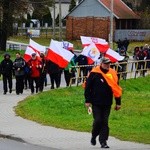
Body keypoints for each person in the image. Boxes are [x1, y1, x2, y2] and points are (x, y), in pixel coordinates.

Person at [84, 57, 122, 148]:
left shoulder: (113, 73)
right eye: (105, 64)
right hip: (96, 102)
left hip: (107, 102)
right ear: (101, 64)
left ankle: (103, 142)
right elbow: (87, 87)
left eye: (109, 64)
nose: (107, 65)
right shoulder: (94, 73)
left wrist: (118, 102)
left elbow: (116, 89)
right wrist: (87, 100)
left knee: (105, 122)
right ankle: (94, 136)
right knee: (98, 121)